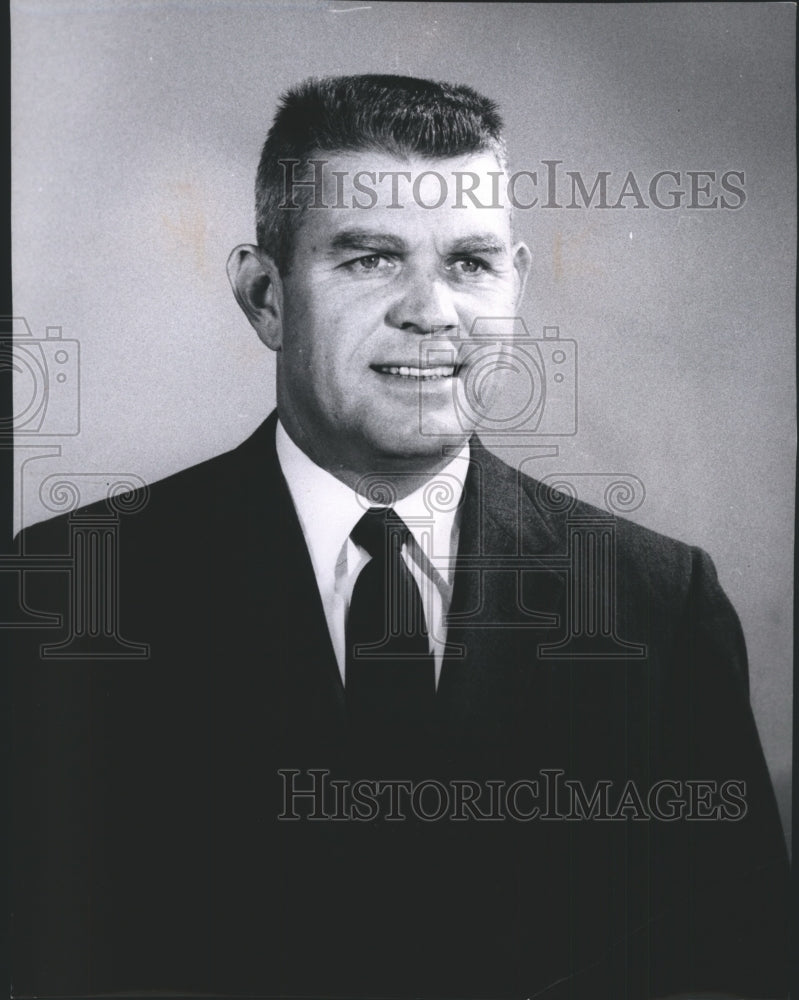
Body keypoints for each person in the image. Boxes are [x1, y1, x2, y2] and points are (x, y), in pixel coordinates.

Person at [12, 75, 788, 1000]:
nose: (432, 311)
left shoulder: (657, 606)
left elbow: (735, 969)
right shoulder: (67, 593)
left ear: (516, 283)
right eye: (370, 258)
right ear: (265, 295)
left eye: (469, 263)